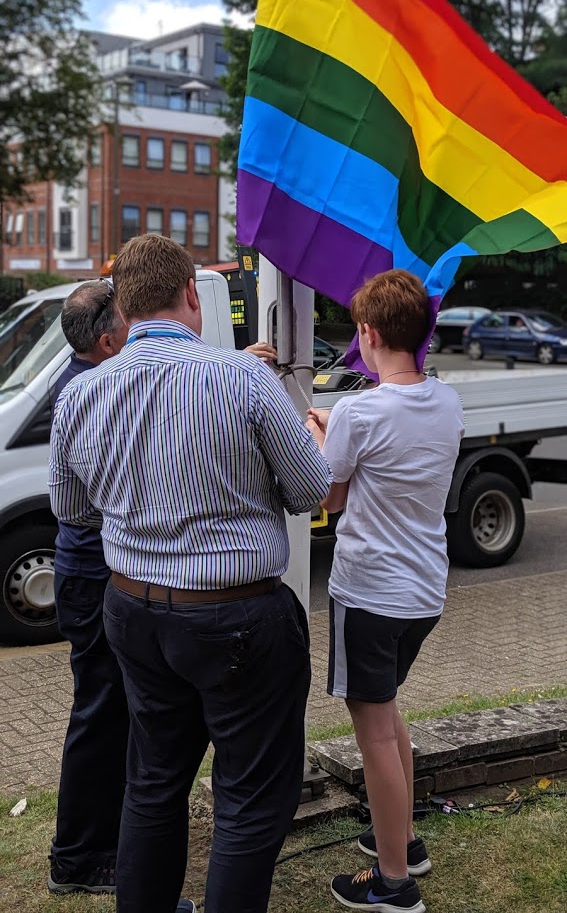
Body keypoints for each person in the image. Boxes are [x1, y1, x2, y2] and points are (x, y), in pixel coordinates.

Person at [49, 233, 332, 913]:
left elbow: (72, 509)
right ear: (188, 297)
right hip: (236, 618)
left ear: (123, 306)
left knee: (152, 782)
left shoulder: (81, 394)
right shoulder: (242, 377)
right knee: (248, 800)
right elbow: (308, 490)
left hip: (134, 612)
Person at [307, 270, 464, 913]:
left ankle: (394, 883)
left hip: (369, 591)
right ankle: (399, 838)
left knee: (372, 730)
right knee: (387, 711)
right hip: (423, 590)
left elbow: (328, 495)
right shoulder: (448, 401)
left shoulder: (357, 410)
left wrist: (319, 434)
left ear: (368, 335)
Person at [48, 280, 129, 896]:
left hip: (90, 571)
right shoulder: (89, 394)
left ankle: (105, 842)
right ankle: (78, 859)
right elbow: (69, 506)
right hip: (93, 573)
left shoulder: (88, 379)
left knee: (113, 712)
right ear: (106, 341)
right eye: (130, 322)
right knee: (100, 715)